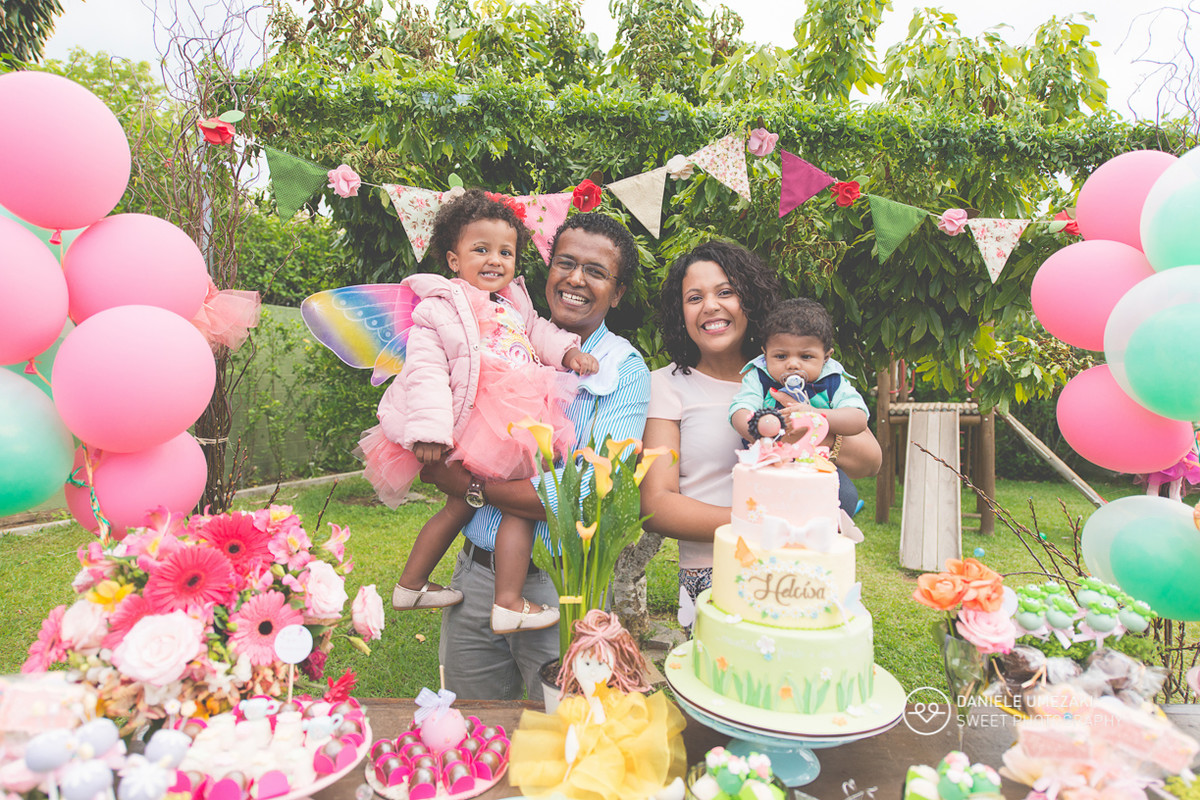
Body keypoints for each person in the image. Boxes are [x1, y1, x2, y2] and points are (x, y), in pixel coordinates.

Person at [419, 212, 649, 700]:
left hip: (562, 588)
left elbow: (581, 494)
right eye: (565, 263)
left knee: (565, 725)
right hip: (475, 576)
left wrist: (469, 487)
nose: (575, 279)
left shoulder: (623, 370)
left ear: (618, 291)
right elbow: (442, 427)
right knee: (471, 723)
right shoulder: (496, 335)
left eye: (596, 271)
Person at [360, 189, 598, 635]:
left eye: (505, 252)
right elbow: (425, 371)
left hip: (516, 414)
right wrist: (430, 431)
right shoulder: (440, 308)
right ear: (453, 260)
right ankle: (507, 602)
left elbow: (540, 333)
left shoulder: (514, 303)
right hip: (480, 420)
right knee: (519, 503)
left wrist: (567, 354)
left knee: (459, 505)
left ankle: (411, 585)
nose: (495, 260)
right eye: (481, 249)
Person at [639, 240, 882, 608]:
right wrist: (767, 526)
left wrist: (811, 429)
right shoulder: (666, 385)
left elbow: (870, 461)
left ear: (749, 299)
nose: (710, 306)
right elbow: (656, 505)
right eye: (694, 298)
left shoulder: (789, 368)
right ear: (679, 312)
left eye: (726, 292)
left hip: (807, 569)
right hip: (715, 569)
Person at [728, 297, 869, 513]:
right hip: (770, 462)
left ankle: (824, 532)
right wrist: (760, 425)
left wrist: (815, 414)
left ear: (826, 357)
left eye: (806, 356)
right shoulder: (759, 377)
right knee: (762, 502)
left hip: (816, 463)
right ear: (765, 354)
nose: (793, 364)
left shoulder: (833, 381)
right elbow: (740, 408)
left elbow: (858, 418)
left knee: (845, 498)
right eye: (781, 356)